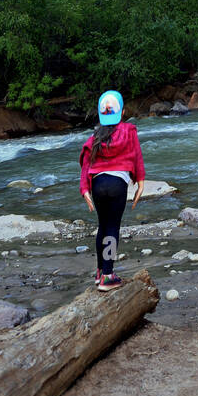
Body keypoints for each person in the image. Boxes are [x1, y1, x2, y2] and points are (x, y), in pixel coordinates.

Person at [79, 90, 146, 290]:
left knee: (103, 226)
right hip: (117, 185)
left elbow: (85, 162)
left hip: (98, 185)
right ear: (123, 111)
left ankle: (100, 272)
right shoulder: (129, 131)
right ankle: (108, 275)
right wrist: (140, 181)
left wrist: (84, 189)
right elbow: (137, 156)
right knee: (112, 228)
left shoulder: (95, 136)